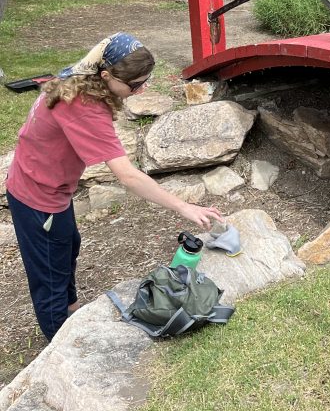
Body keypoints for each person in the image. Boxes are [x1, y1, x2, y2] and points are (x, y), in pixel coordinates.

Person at [6, 33, 223, 341]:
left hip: (48, 188)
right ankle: (60, 346)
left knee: (67, 249)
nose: (142, 89)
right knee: (50, 277)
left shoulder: (79, 77)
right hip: (38, 199)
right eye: (135, 85)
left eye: (146, 81)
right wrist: (183, 206)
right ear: (106, 75)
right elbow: (128, 175)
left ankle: (72, 311)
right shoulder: (84, 106)